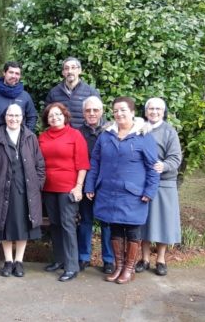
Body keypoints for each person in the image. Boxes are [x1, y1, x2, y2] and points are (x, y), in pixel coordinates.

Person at [84, 97, 159, 285]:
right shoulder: (106, 135)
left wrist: (149, 191)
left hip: (134, 194)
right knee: (115, 229)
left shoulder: (143, 136)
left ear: (132, 112)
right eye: (116, 111)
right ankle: (118, 267)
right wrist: (90, 185)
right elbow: (95, 162)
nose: (119, 114)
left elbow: (153, 167)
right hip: (108, 191)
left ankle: (129, 269)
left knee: (132, 230)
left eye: (123, 110)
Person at [0, 103, 46, 278]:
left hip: (26, 191)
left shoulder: (30, 137)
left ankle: (19, 261)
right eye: (10, 115)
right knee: (5, 227)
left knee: (23, 227)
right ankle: (8, 261)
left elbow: (40, 164)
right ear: (5, 117)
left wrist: (37, 184)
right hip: (3, 191)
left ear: (22, 118)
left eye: (17, 116)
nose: (13, 119)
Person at [38, 102, 89, 282]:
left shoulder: (75, 135)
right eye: (51, 115)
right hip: (48, 188)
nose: (55, 118)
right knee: (55, 225)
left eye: (58, 114)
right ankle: (59, 260)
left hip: (68, 188)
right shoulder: (42, 137)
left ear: (65, 116)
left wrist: (79, 186)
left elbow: (82, 164)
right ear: (47, 119)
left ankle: (72, 266)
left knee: (68, 226)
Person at [136, 97, 182, 276]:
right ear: (145, 111)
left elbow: (175, 158)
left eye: (158, 109)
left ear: (163, 112)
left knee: (164, 222)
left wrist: (164, 165)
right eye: (151, 109)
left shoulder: (169, 131)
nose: (154, 112)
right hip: (143, 182)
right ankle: (144, 259)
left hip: (164, 183)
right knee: (145, 222)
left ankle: (161, 260)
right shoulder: (139, 129)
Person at [76, 96, 115, 274]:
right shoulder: (77, 133)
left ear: (102, 111)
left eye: (95, 110)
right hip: (85, 184)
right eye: (88, 110)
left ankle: (109, 260)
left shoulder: (111, 131)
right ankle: (83, 257)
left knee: (107, 223)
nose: (92, 113)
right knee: (85, 221)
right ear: (83, 113)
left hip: (106, 185)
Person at [45, 57, 101, 128]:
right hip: (61, 133)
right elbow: (47, 116)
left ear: (79, 70)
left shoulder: (91, 92)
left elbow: (99, 116)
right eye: (66, 68)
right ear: (63, 72)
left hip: (84, 133)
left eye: (73, 68)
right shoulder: (54, 93)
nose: (70, 71)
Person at [0, 61, 37, 130]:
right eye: (11, 72)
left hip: (19, 136)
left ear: (20, 76)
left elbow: (32, 117)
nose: (14, 76)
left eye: (17, 73)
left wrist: (26, 134)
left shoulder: (25, 96)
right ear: (4, 73)